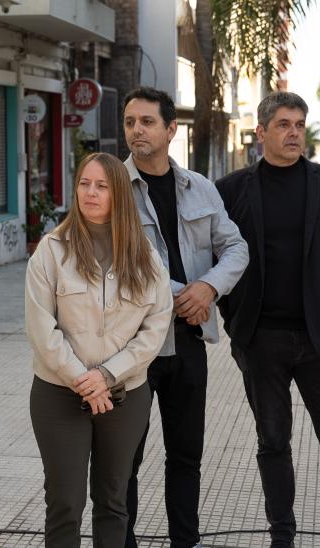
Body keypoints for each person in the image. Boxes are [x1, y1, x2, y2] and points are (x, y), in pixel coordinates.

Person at [215, 92, 320, 548]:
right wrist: (236, 324)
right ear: (261, 133)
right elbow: (219, 260)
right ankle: (282, 536)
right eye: (284, 124)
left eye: (300, 124)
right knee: (273, 443)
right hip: (261, 342)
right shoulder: (231, 190)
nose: (294, 133)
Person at [122, 86, 249, 548]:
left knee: (186, 456)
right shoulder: (110, 188)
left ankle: (185, 541)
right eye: (130, 121)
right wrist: (187, 291)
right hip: (131, 346)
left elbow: (235, 247)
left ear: (171, 129)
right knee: (125, 460)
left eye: (147, 121)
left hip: (189, 341)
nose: (137, 129)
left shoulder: (201, 187)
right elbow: (118, 264)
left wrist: (210, 286)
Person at [25, 152, 174, 547]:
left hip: (125, 396)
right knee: (64, 504)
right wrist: (83, 379)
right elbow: (42, 328)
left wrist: (107, 375)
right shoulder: (52, 251)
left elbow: (155, 327)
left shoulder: (147, 257)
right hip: (58, 395)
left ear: (119, 194)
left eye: (102, 186)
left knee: (114, 501)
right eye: (84, 184)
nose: (90, 193)